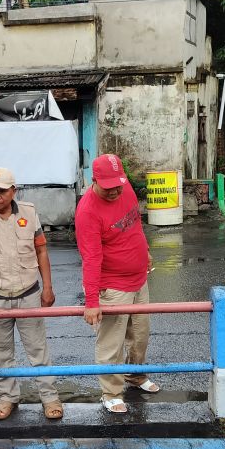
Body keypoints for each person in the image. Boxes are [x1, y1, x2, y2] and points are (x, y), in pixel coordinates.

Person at [0, 167, 61, 421]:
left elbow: (41, 252)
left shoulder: (29, 212)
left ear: (13, 191)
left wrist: (47, 287)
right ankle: (7, 398)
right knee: (1, 352)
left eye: (1, 190)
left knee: (38, 349)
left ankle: (49, 398)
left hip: (28, 292)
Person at [75, 153, 160, 414]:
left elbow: (135, 225)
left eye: (119, 184)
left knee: (140, 335)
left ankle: (135, 376)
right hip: (112, 286)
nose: (115, 191)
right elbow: (90, 258)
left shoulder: (126, 189)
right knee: (111, 341)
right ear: (94, 180)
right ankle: (111, 392)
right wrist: (91, 302)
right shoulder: (87, 211)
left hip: (138, 279)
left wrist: (144, 250)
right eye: (108, 186)